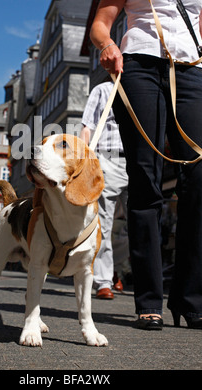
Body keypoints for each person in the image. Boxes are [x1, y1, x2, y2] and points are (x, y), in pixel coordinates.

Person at [90, 0, 202, 330]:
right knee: (145, 178)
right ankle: (149, 300)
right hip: (141, 67)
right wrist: (108, 46)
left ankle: (189, 297)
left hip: (192, 70)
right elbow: (100, 25)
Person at [80, 81, 129, 299]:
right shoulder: (103, 89)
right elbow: (87, 126)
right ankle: (103, 281)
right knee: (105, 224)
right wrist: (84, 161)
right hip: (107, 157)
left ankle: (115, 267)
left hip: (140, 159)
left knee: (141, 225)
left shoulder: (147, 86)